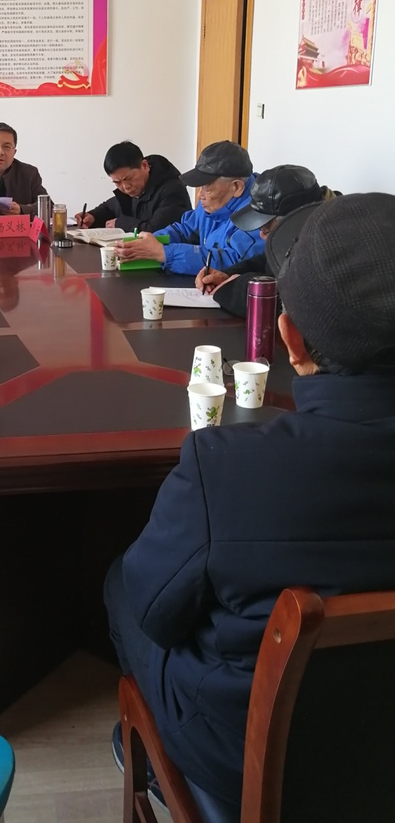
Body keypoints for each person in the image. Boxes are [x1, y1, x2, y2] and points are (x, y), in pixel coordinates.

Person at [104, 193, 395, 818]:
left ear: (291, 339)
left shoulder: (228, 466)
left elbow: (156, 613)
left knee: (123, 584)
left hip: (257, 754)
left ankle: (147, 747)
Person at [115, 140, 264, 275]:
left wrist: (165, 253)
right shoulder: (214, 203)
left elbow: (233, 263)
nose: (200, 195)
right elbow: (185, 230)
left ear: (236, 187)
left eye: (207, 188)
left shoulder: (259, 216)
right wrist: (152, 241)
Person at [195, 164, 326, 316]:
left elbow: (291, 297)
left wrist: (236, 286)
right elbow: (269, 260)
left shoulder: (329, 244)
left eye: (266, 229)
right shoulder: (306, 230)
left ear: (293, 222)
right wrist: (227, 275)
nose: (262, 236)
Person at [74, 141, 191, 232]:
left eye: (128, 178)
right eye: (117, 182)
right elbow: (112, 207)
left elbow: (156, 231)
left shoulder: (172, 190)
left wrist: (120, 223)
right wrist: (93, 217)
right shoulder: (136, 189)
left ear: (145, 166)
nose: (125, 187)